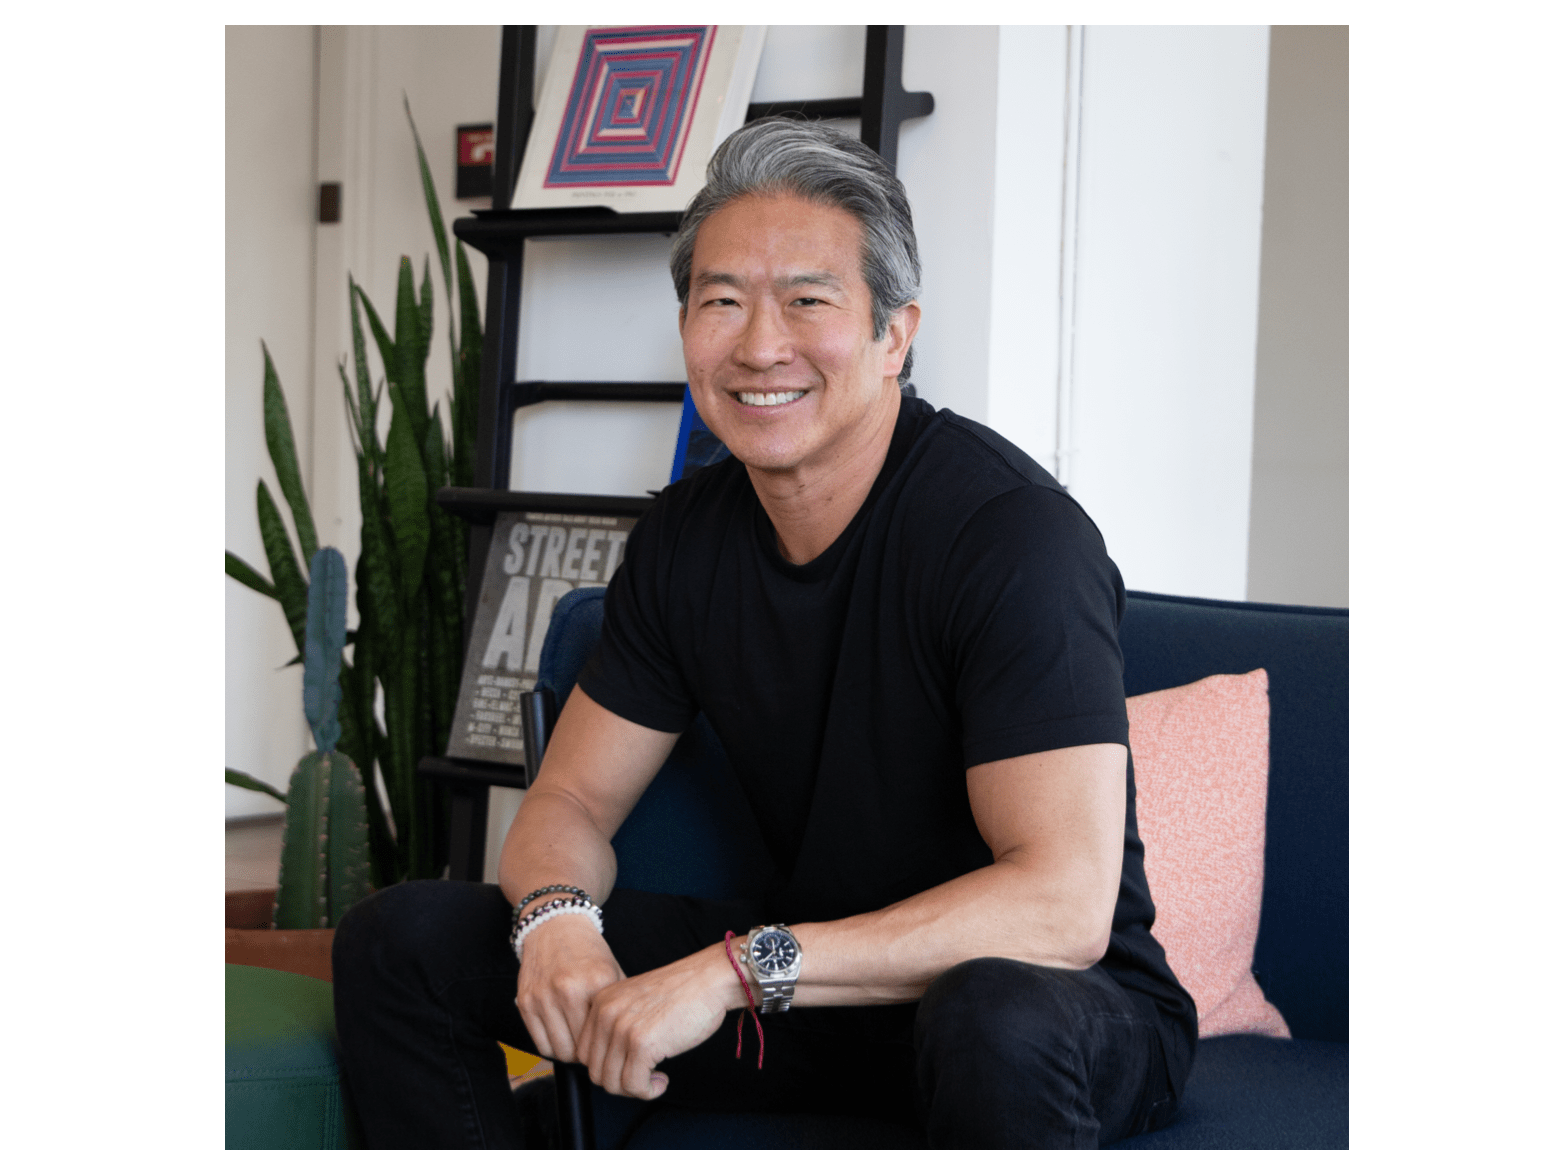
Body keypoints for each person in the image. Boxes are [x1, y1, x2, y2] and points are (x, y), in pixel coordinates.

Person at [332, 116, 1196, 1148]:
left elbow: (1060, 907)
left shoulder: (1009, 537)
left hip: (1050, 1013)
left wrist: (731, 972)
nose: (759, 345)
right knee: (405, 939)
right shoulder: (687, 538)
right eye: (722, 301)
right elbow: (568, 797)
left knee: (990, 1014)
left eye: (807, 300)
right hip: (815, 1002)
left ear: (893, 333)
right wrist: (555, 920)